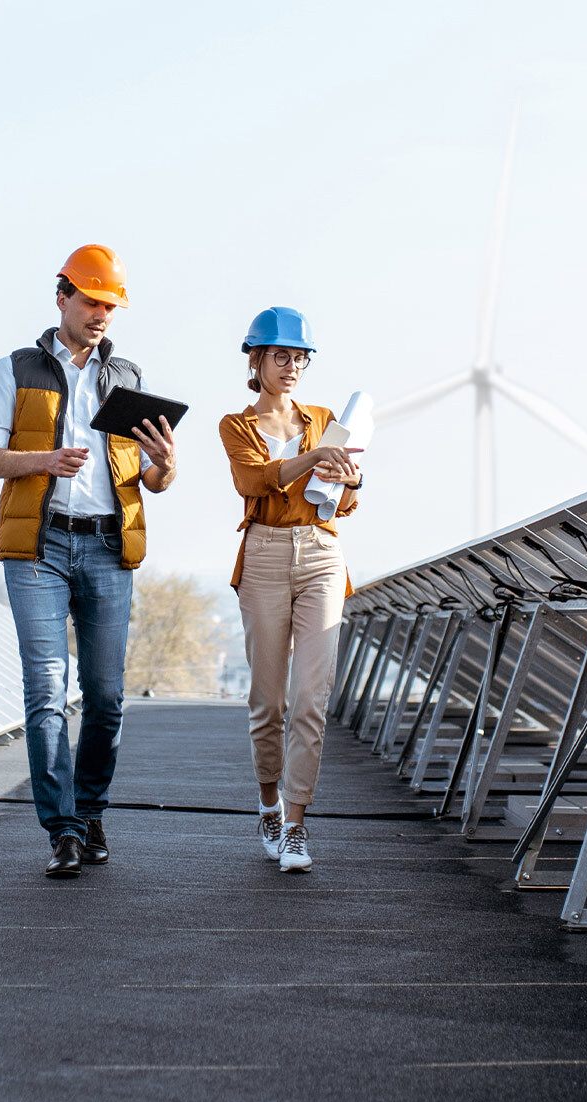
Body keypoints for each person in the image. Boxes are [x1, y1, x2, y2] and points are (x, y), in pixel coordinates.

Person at [0, 244, 177, 878]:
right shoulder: (17, 369)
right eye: (91, 301)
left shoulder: (128, 377)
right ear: (62, 297)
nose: (101, 314)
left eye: (110, 305)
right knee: (47, 692)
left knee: (108, 697)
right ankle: (60, 829)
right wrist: (43, 462)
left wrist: (166, 465)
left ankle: (90, 814)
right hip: (39, 545)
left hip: (110, 545)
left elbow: (151, 477)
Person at [217, 307, 361, 873]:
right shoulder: (236, 425)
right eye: (282, 356)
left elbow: (343, 504)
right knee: (268, 701)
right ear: (257, 360)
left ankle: (297, 825)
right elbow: (252, 481)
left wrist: (349, 481)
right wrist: (312, 458)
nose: (292, 366)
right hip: (265, 555)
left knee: (311, 699)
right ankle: (269, 803)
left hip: (322, 553)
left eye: (300, 357)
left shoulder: (324, 419)